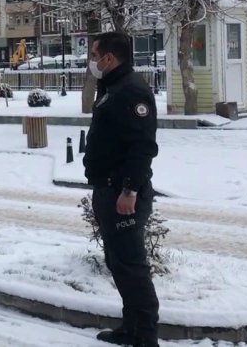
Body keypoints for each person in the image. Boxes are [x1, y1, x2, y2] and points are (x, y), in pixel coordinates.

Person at [83, 32, 160, 347]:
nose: (91, 61)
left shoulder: (130, 92)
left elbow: (142, 147)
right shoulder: (113, 87)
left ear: (108, 58)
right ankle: (131, 327)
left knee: (132, 267)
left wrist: (129, 191)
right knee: (119, 263)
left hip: (122, 194)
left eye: (94, 55)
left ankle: (145, 337)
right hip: (108, 189)